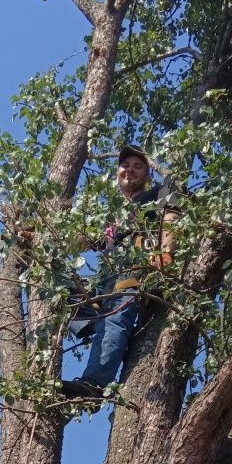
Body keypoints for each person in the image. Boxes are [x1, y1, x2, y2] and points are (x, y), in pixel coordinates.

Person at [61, 145, 176, 402]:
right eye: (125, 166)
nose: (130, 171)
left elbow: (170, 219)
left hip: (136, 268)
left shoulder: (157, 194)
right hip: (106, 280)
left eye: (138, 166)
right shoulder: (112, 214)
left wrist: (165, 254)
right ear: (117, 173)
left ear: (147, 173)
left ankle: (94, 384)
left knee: (115, 315)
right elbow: (85, 241)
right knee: (61, 290)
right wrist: (45, 239)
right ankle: (104, 330)